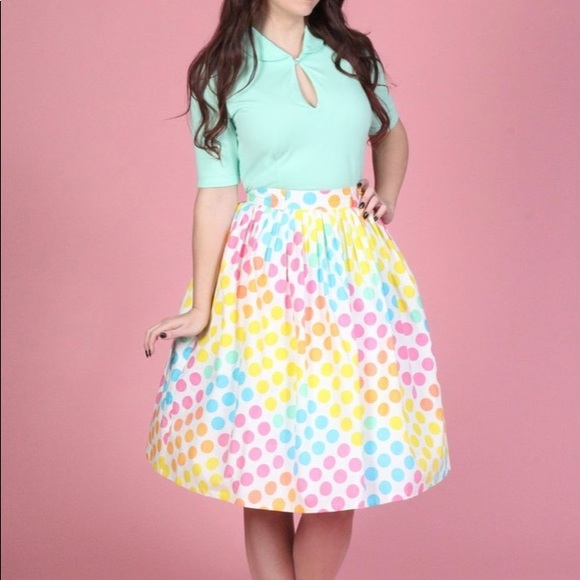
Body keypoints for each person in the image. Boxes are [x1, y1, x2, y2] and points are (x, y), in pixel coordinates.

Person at [143, 1, 451, 578]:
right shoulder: (219, 70)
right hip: (262, 274)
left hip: (352, 275)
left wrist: (386, 195)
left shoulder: (354, 54)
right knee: (265, 472)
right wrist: (202, 306)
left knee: (341, 470)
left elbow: (391, 132)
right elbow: (216, 192)